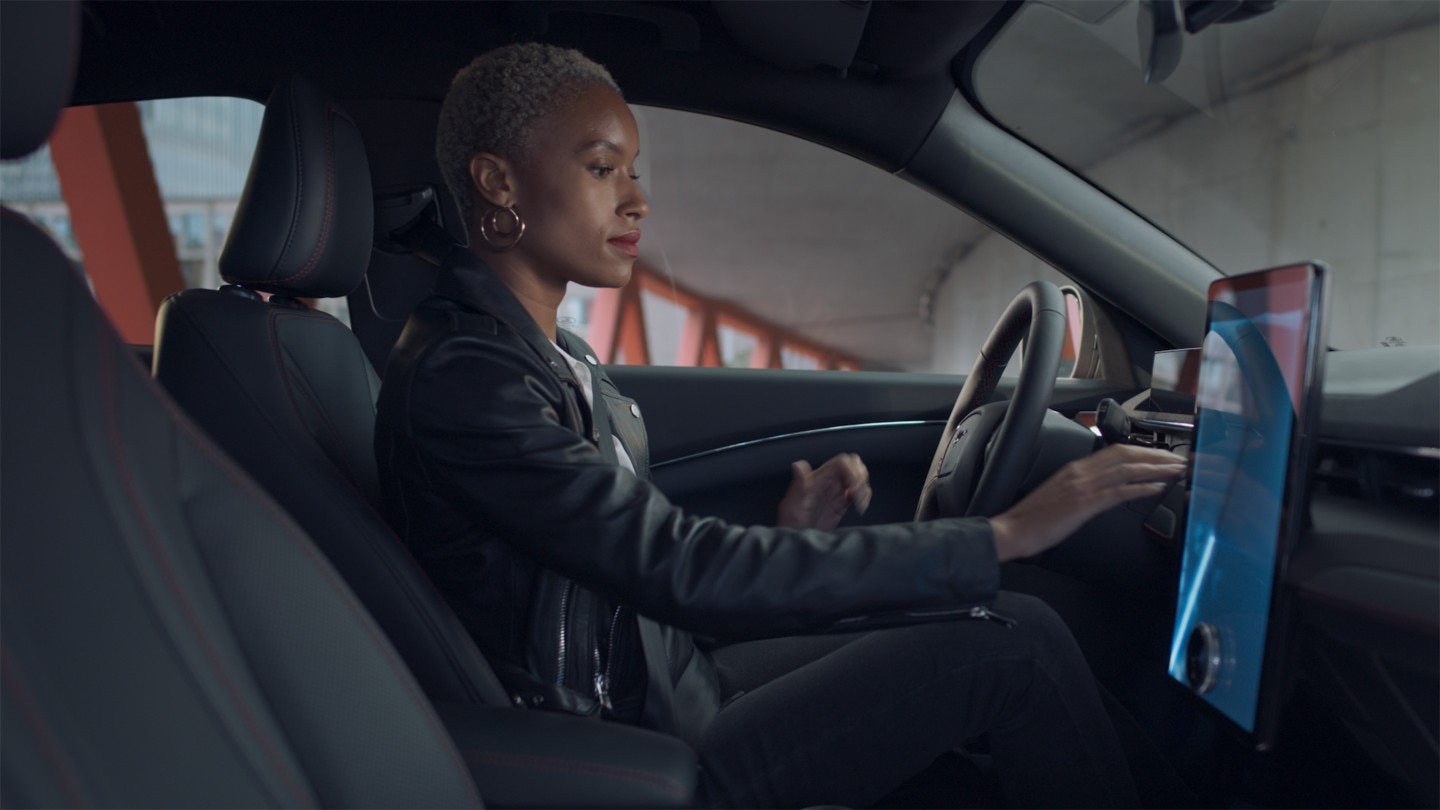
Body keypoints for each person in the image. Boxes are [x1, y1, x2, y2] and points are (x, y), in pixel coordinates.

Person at [374, 42, 1187, 808]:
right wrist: (1006, 535)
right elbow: (669, 565)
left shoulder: (542, 355)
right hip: (628, 752)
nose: (637, 199)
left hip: (671, 685)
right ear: (498, 182)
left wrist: (786, 529)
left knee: (979, 637)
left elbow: (620, 564)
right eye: (601, 169)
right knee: (1015, 642)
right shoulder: (468, 380)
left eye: (632, 170)